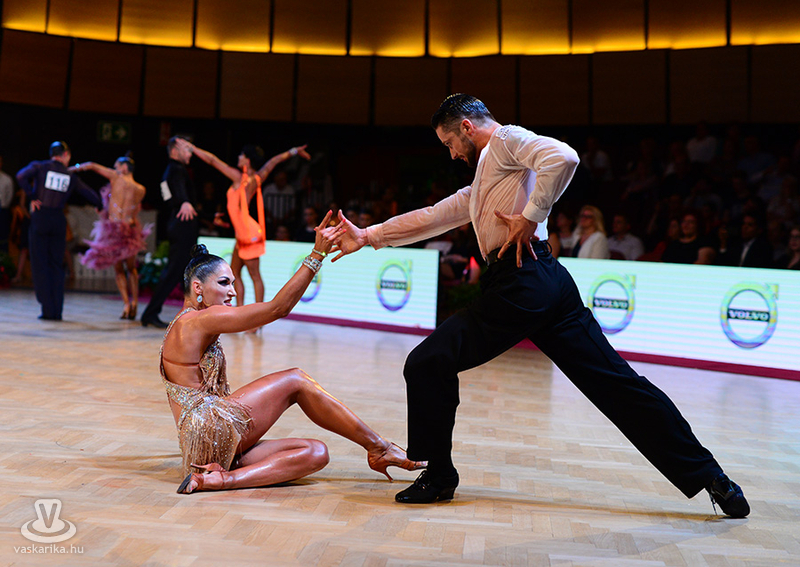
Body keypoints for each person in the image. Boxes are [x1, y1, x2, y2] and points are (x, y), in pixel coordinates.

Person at [329, 94, 749, 517]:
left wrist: (531, 215)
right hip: (545, 280)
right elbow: (437, 215)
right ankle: (714, 479)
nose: (452, 153)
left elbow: (564, 157)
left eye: (449, 142)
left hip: (521, 281)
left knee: (426, 362)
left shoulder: (505, 141)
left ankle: (438, 477)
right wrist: (367, 236)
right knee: (618, 385)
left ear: (467, 128)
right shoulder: (489, 173)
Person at [163, 215, 424, 494]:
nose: (233, 292)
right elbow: (278, 308)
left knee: (316, 452)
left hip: (203, 446)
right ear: (198, 288)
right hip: (209, 431)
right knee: (295, 380)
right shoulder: (199, 320)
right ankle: (379, 448)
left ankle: (218, 478)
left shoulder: (182, 323)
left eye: (233, 283)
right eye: (224, 283)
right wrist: (317, 254)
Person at [181, 140, 311, 313]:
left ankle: (259, 317)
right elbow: (273, 162)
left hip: (248, 234)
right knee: (234, 273)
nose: (239, 157)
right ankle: (240, 312)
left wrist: (193, 148)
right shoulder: (256, 177)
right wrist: (294, 150)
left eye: (241, 155)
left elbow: (213, 161)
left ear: (247, 160)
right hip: (242, 233)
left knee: (255, 276)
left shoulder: (239, 178)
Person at [16, 141, 102, 320]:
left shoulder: (40, 167)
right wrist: (101, 205)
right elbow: (90, 194)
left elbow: (20, 176)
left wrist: (32, 196)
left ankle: (47, 310)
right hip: (58, 220)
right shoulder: (70, 175)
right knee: (56, 265)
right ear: (66, 155)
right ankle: (57, 311)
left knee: (40, 264)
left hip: (41, 217)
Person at [74, 155, 150, 319]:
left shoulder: (116, 177)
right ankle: (134, 302)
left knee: (119, 269)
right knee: (131, 268)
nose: (114, 169)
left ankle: (126, 304)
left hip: (115, 229)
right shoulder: (141, 189)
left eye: (116, 166)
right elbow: (134, 210)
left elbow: (92, 164)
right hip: (130, 229)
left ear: (124, 167)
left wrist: (73, 168)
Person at [141, 136, 199, 328]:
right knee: (174, 272)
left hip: (177, 222)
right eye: (187, 149)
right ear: (175, 150)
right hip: (182, 226)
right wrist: (184, 201)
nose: (190, 154)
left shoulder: (169, 171)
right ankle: (150, 313)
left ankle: (190, 313)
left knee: (183, 272)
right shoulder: (176, 170)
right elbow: (180, 191)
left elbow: (168, 198)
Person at [0, 154, 14, 252]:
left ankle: (3, 258)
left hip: (2, 211)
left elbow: (9, 196)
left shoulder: (7, 179)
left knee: (3, 238)